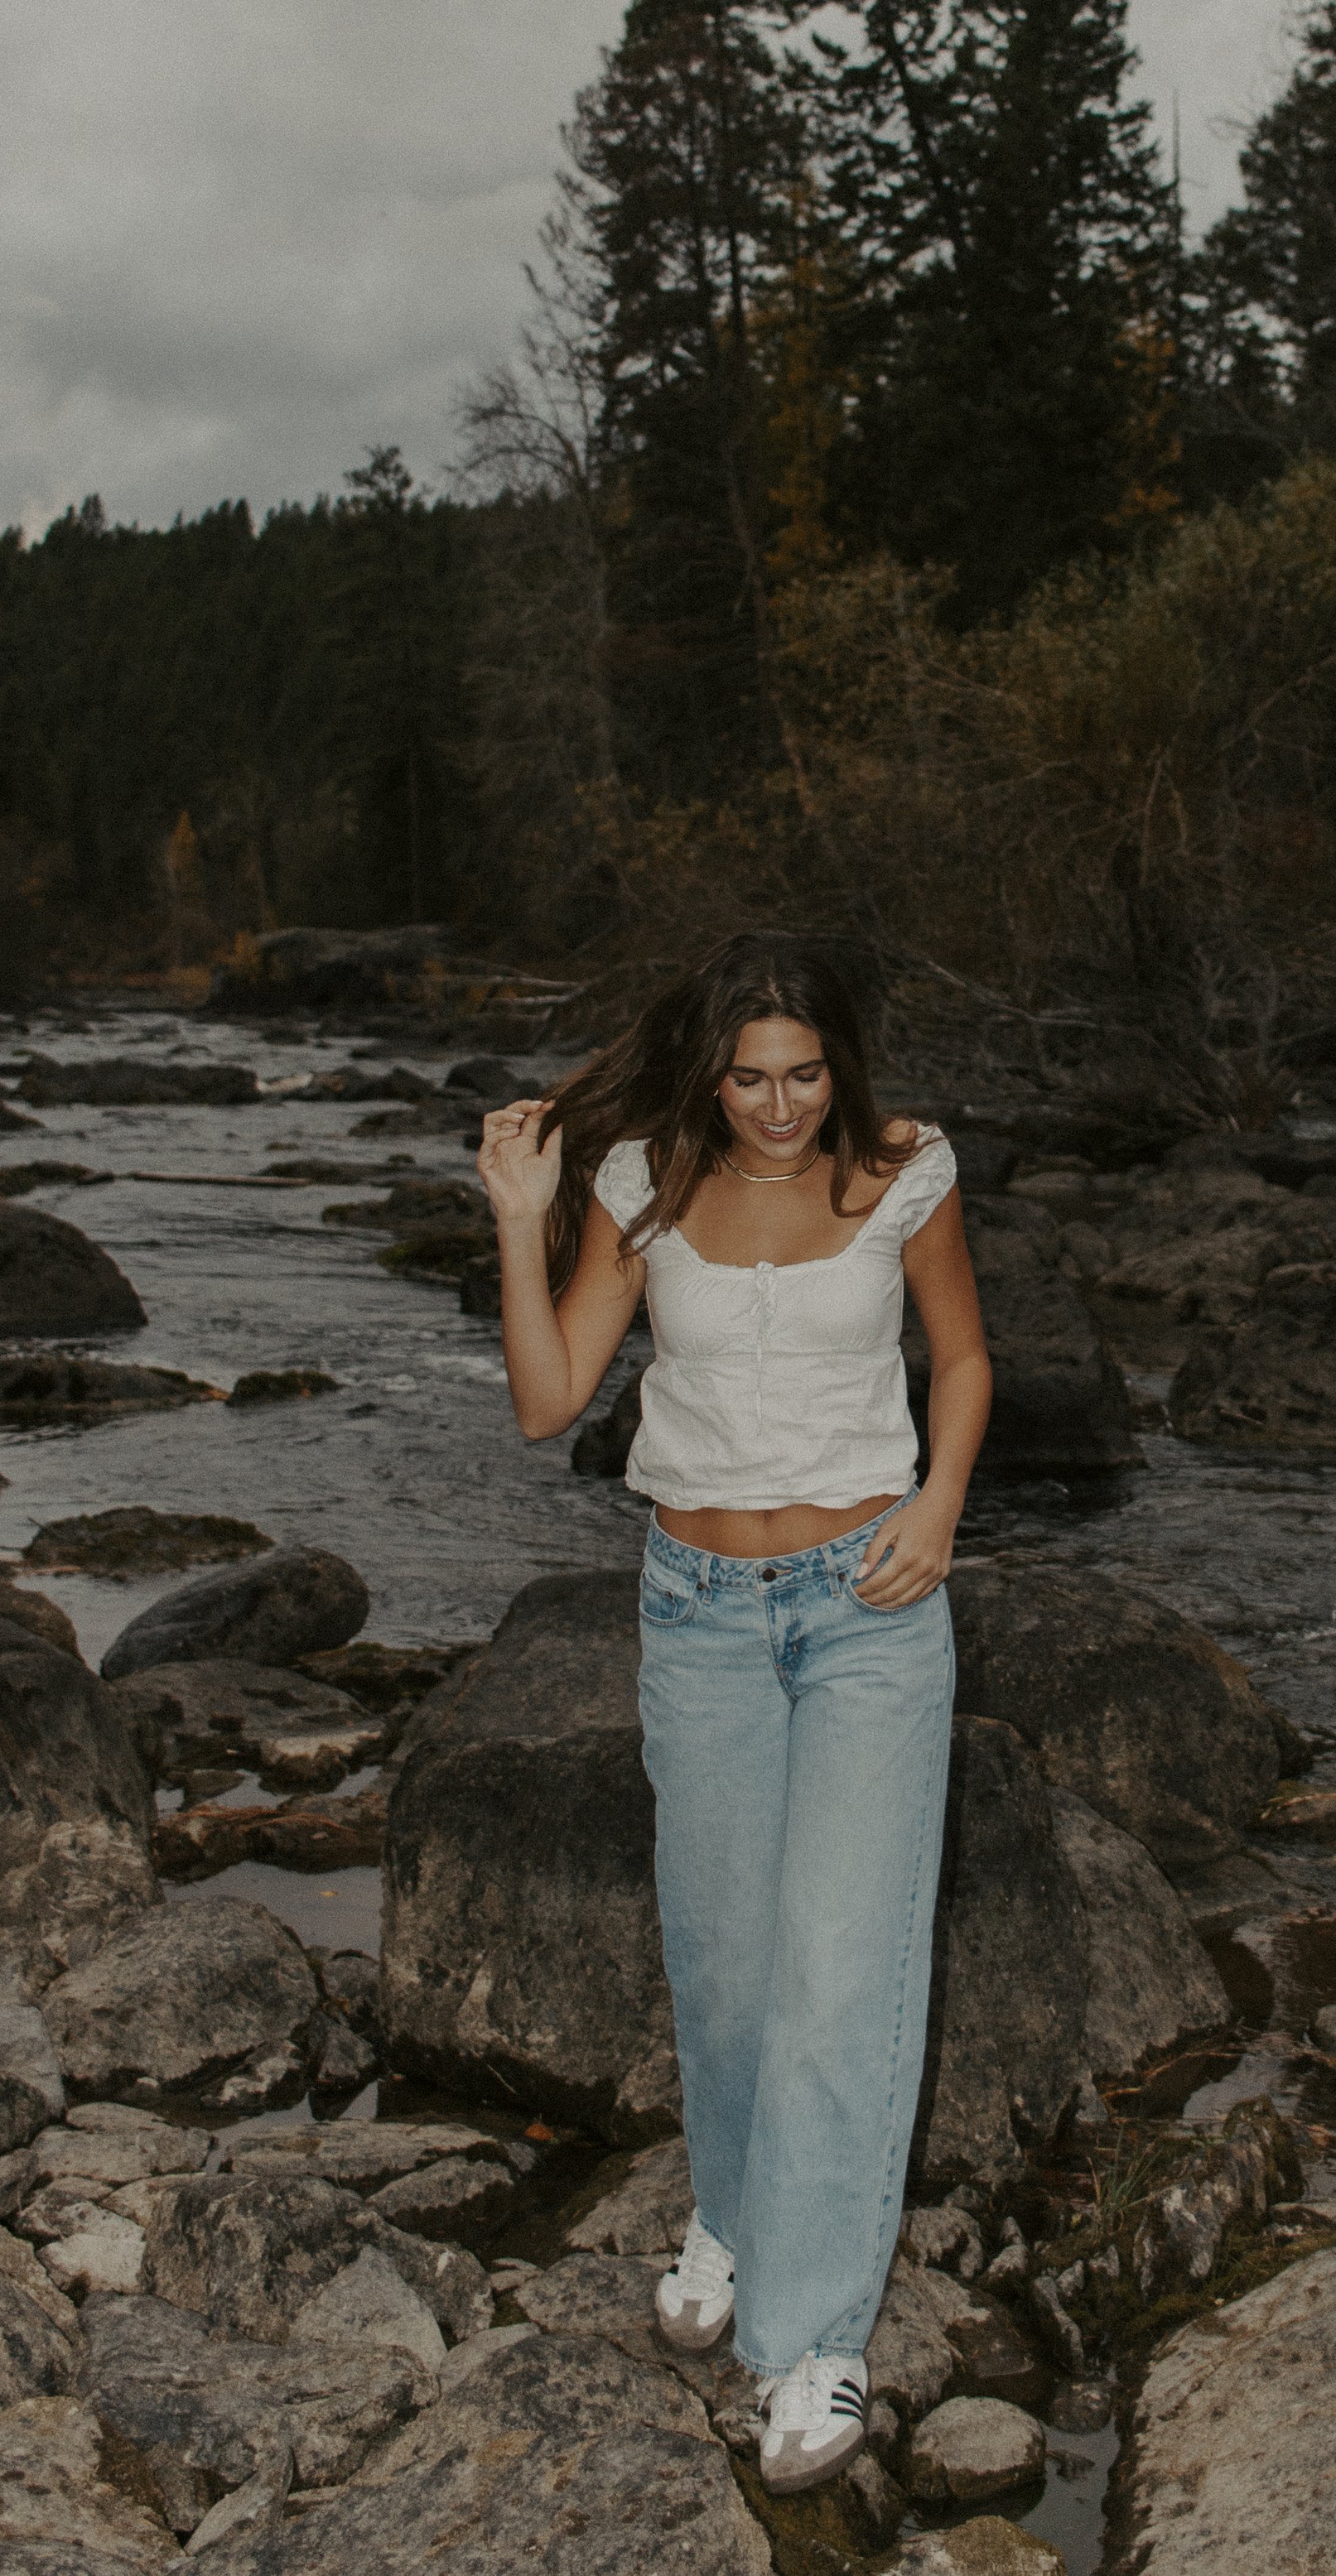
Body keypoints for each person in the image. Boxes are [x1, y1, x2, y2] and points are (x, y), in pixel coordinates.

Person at [476, 930, 991, 2494]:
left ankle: (816, 2339)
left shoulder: (904, 1174)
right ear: (711, 1069)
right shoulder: (639, 1181)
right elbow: (552, 1394)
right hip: (695, 1609)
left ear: (845, 1064)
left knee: (842, 1966)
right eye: (751, 1076)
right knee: (721, 1952)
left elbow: (962, 1359)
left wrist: (941, 1505)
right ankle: (735, 2204)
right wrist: (519, 1219)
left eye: (806, 1073)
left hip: (871, 1605)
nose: (778, 1106)